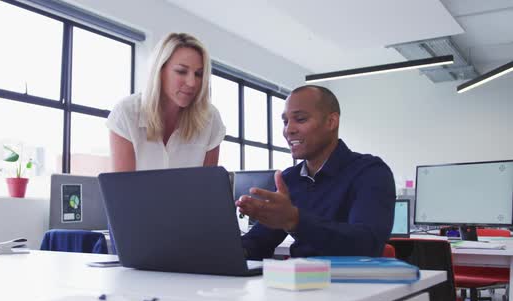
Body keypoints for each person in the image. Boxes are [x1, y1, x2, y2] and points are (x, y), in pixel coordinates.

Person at [236, 85, 395, 258]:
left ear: (331, 122)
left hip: (350, 282)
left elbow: (366, 244)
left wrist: (295, 220)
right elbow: (258, 242)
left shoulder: (370, 172)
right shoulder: (290, 179)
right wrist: (226, 250)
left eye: (301, 119)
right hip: (300, 281)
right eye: (285, 121)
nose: (289, 129)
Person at [106, 33, 225, 171]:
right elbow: (122, 189)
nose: (192, 83)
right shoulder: (126, 114)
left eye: (198, 74)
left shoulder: (210, 119)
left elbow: (207, 188)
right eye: (181, 71)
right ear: (160, 71)